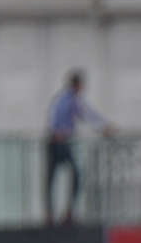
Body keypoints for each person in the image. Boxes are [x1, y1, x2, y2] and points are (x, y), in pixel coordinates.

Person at [46, 70, 112, 225]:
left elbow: (85, 114)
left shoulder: (63, 99)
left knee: (54, 178)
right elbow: (86, 114)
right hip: (59, 141)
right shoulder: (68, 100)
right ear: (78, 85)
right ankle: (63, 213)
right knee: (72, 175)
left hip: (58, 141)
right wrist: (104, 126)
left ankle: (56, 213)